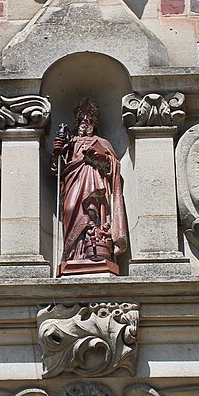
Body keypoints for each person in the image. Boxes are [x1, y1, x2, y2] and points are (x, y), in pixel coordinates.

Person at [52, 97, 128, 274]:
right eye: (82, 120)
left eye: (89, 120)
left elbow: (114, 167)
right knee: (71, 209)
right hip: (73, 184)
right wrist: (57, 151)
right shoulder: (70, 144)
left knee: (94, 216)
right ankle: (73, 254)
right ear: (77, 121)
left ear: (94, 122)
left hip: (95, 183)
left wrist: (102, 158)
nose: (85, 123)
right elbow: (57, 170)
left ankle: (96, 250)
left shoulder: (103, 143)